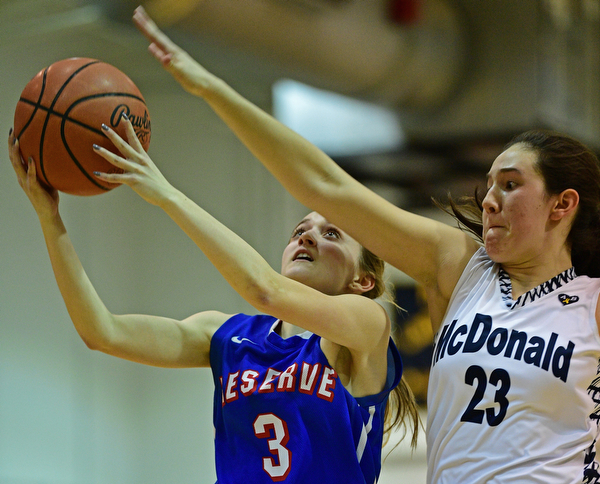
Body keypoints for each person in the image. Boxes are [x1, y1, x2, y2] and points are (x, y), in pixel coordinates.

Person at [131, 5, 600, 483]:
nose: (489, 201)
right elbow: (325, 186)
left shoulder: (592, 305)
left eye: (510, 185)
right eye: (490, 184)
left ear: (561, 205)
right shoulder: (460, 268)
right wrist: (211, 87)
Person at [8, 109, 419, 481]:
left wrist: (167, 194)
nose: (307, 234)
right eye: (300, 229)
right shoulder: (227, 336)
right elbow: (102, 332)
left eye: (331, 234)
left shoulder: (366, 328)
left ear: (363, 281)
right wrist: (50, 219)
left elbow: (264, 290)